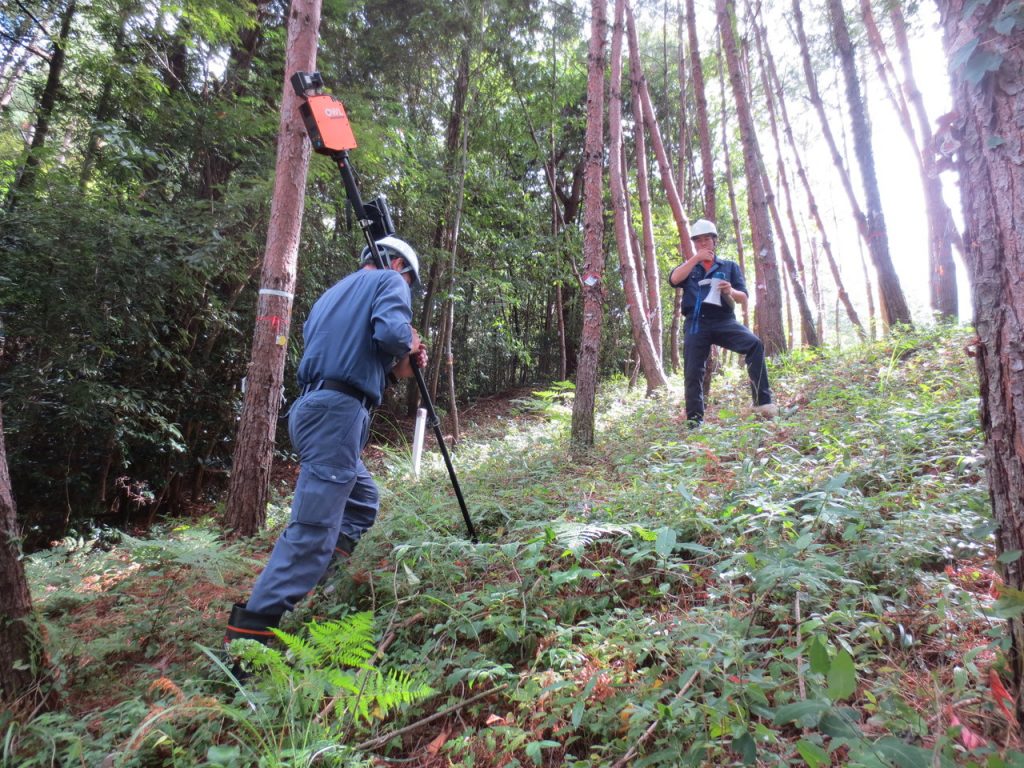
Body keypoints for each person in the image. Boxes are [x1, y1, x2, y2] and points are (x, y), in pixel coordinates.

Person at [224, 236, 428, 648]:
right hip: (337, 414)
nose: (406, 283)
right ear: (396, 264)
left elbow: (352, 356)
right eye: (408, 276)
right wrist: (410, 342)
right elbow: (390, 336)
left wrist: (395, 371)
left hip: (313, 408)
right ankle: (251, 636)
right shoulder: (392, 282)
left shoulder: (330, 296)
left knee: (361, 499)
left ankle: (325, 585)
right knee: (314, 529)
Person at [668, 219, 777, 427]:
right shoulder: (689, 267)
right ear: (694, 243)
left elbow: (743, 297)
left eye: (707, 239)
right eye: (698, 240)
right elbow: (674, 279)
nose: (703, 244)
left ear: (714, 241)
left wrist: (730, 291)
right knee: (693, 370)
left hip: (723, 320)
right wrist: (695, 259)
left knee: (754, 344)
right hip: (696, 322)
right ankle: (694, 422)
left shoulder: (729, 266)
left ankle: (763, 404)